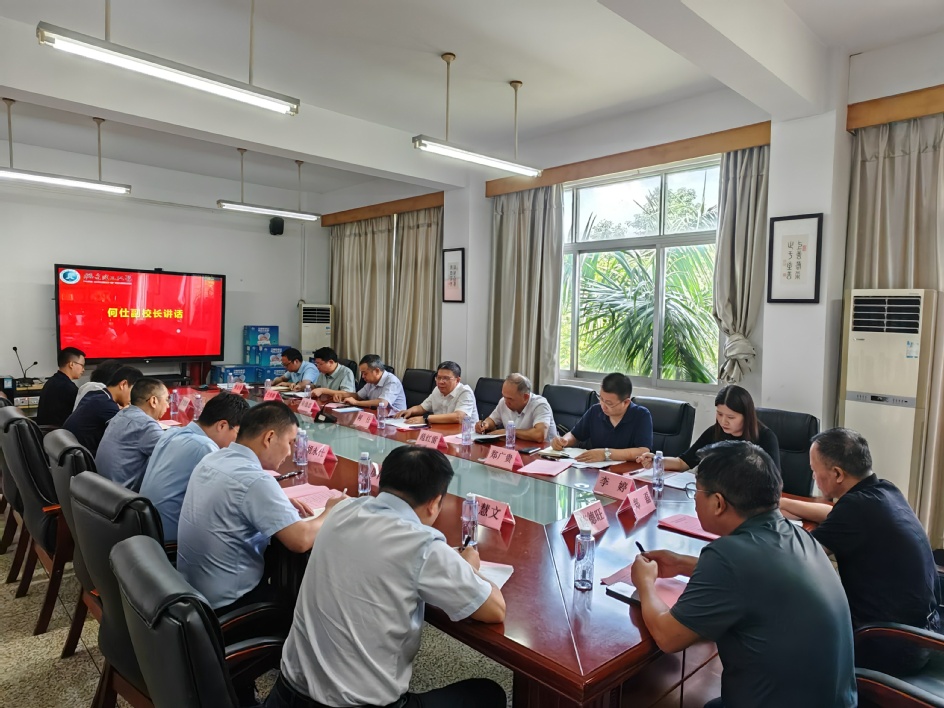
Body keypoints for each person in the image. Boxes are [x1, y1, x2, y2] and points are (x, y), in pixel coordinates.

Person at [268, 446, 506, 708]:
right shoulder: (423, 544)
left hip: (285, 695)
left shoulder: (341, 510)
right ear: (434, 502)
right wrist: (469, 567)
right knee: (488, 694)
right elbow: (494, 610)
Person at [631, 441, 857, 708]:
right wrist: (681, 564)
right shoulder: (797, 535)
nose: (694, 499)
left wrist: (645, 582)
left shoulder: (727, 555)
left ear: (718, 503)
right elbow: (757, 576)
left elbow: (668, 637)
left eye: (696, 491)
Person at [780, 427, 940, 675]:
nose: (812, 476)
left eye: (814, 469)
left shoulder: (855, 509)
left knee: (789, 615)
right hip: (922, 633)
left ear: (837, 474)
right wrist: (780, 503)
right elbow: (833, 514)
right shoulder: (884, 491)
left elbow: (797, 557)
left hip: (890, 644)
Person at [177, 401, 336, 612]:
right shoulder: (255, 480)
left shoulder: (212, 458)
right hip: (228, 603)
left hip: (190, 588)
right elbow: (301, 540)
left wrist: (276, 503)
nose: (290, 452)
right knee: (297, 596)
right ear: (269, 438)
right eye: (290, 442)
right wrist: (331, 510)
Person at [140, 392, 250, 542]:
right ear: (222, 425)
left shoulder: (172, 433)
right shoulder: (205, 447)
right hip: (171, 539)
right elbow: (226, 500)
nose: (238, 441)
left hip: (147, 529)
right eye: (237, 433)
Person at [636, 384, 780, 472]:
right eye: (719, 414)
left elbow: (773, 480)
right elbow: (683, 462)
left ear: (746, 416)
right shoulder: (715, 432)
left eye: (731, 417)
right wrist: (657, 460)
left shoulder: (765, 437)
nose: (723, 421)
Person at [551, 372, 651, 463]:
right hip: (594, 469)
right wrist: (563, 441)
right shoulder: (596, 410)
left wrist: (605, 454)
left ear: (626, 402)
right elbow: (575, 435)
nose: (603, 406)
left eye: (609, 403)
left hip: (626, 472)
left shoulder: (641, 415)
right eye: (601, 399)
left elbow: (643, 451)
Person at [95, 377, 169, 492]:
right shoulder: (145, 425)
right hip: (124, 497)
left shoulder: (121, 414)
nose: (168, 406)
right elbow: (174, 454)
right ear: (153, 401)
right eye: (167, 400)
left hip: (103, 491)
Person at [63, 365, 143, 455]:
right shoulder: (106, 405)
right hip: (87, 457)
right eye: (134, 391)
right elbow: (131, 435)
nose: (134, 397)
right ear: (123, 384)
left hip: (72, 453)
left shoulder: (95, 395)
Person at [474, 373, 555, 443]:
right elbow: (492, 420)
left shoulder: (540, 405)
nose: (506, 402)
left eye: (510, 399)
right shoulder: (504, 401)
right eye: (504, 396)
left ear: (525, 397)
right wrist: (485, 425)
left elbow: (539, 435)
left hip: (543, 452)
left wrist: (509, 432)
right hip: (516, 448)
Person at [395, 361, 478, 424]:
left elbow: (458, 417)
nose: (441, 382)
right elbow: (422, 407)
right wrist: (410, 411)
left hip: (464, 436)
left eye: (446, 378)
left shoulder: (465, 392)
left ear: (458, 380)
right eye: (438, 378)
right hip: (443, 430)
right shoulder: (437, 390)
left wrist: (426, 419)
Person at [336, 354, 407, 411]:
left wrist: (356, 402)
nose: (363, 377)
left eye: (365, 373)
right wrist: (342, 395)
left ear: (377, 371)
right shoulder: (371, 382)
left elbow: (382, 403)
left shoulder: (392, 381)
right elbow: (358, 396)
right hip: (378, 415)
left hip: (396, 419)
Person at [36, 347, 85, 427]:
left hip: (47, 432)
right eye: (82, 365)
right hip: (60, 432)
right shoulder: (67, 387)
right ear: (71, 364)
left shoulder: (51, 381)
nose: (83, 369)